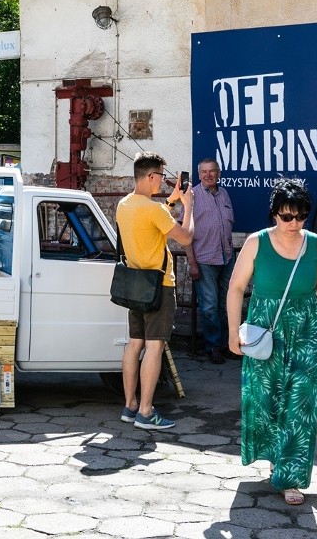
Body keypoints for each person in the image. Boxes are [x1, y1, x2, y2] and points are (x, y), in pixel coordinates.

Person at [227, 178, 317, 506]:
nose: (293, 223)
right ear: (274, 215)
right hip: (266, 327)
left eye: (300, 216)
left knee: (300, 403)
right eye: (286, 216)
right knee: (265, 400)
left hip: (307, 328)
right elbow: (236, 288)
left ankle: (291, 474)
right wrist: (232, 330)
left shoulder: (316, 244)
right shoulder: (256, 242)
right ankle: (275, 457)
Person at [116, 151, 194, 430]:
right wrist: (189, 206)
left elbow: (153, 224)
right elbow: (186, 237)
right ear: (150, 177)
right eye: (161, 175)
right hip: (159, 285)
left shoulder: (124, 205)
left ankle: (131, 405)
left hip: (136, 284)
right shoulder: (153, 209)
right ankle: (147, 412)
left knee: (133, 343)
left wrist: (172, 201)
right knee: (154, 346)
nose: (163, 180)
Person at [184, 158, 236, 364]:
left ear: (218, 173)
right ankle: (213, 346)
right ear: (199, 175)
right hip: (204, 260)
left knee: (227, 305)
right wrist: (192, 263)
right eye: (204, 172)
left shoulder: (224, 194)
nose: (208, 175)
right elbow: (184, 233)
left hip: (227, 258)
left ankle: (227, 345)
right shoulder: (192, 197)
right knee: (210, 307)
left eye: (212, 171)